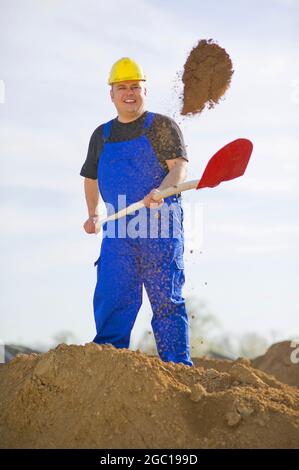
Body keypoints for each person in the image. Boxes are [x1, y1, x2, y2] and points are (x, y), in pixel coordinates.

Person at [80, 57, 193, 366]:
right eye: (122, 88)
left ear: (145, 90)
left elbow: (179, 168)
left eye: (135, 87)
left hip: (159, 227)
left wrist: (163, 190)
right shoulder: (101, 136)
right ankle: (108, 362)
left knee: (166, 300)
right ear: (112, 94)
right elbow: (90, 178)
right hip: (118, 232)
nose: (129, 93)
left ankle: (177, 367)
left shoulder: (162, 126)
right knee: (113, 295)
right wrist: (92, 213)